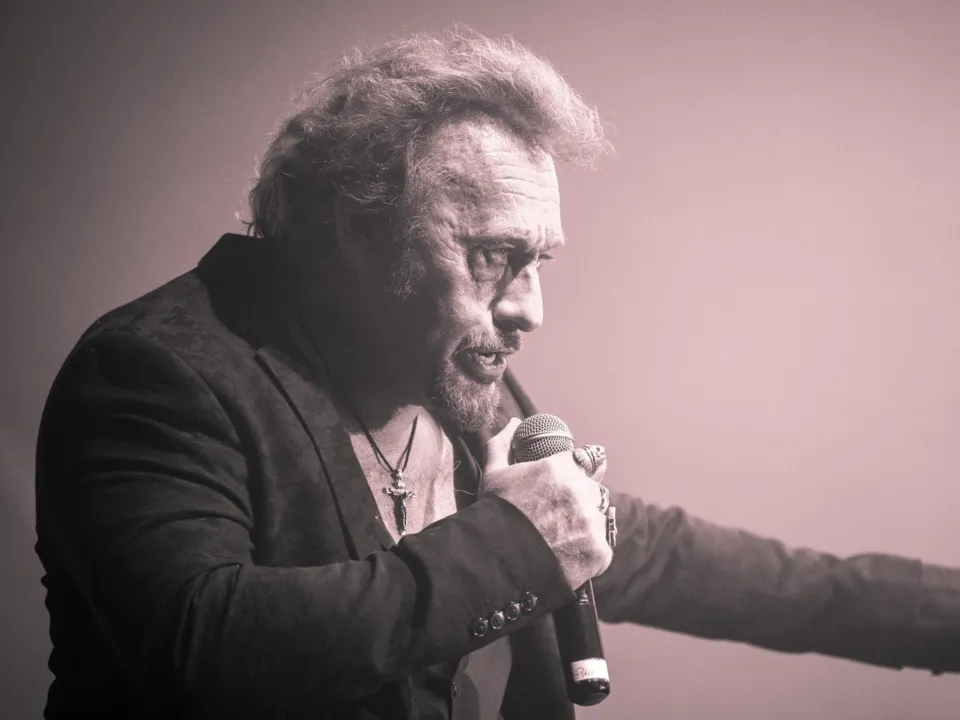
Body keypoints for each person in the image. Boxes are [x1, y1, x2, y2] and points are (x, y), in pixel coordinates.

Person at [34, 28, 958, 720]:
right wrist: (516, 547)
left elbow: (674, 557)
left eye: (539, 260)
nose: (529, 309)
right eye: (491, 257)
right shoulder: (155, 370)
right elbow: (200, 649)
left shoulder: (460, 385)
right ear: (355, 233)